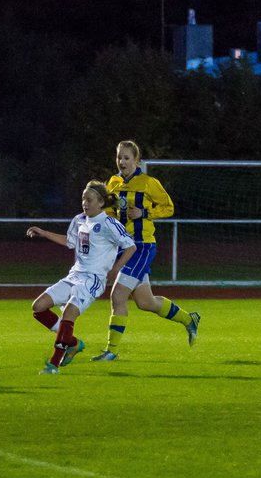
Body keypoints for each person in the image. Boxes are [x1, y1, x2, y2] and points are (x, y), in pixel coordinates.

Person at [93, 140, 201, 361]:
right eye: (119, 157)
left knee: (118, 295)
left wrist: (145, 213)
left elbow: (169, 207)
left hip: (142, 246)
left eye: (126, 158)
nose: (121, 161)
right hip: (124, 247)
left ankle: (111, 351)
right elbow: (111, 213)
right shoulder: (113, 183)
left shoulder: (149, 183)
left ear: (136, 161)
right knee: (146, 302)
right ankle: (189, 319)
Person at [26, 180, 135, 375]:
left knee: (69, 313)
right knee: (38, 307)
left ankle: (53, 364)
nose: (85, 203)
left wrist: (116, 269)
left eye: (89, 199)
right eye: (83, 198)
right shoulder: (79, 220)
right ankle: (73, 343)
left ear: (101, 203)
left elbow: (130, 246)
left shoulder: (109, 223)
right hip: (74, 275)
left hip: (92, 280)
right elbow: (69, 242)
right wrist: (44, 233)